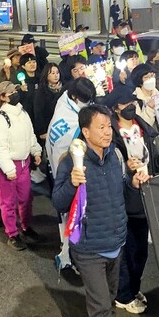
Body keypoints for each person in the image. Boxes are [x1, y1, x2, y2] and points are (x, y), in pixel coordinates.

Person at [51, 104, 150, 317]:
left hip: (116, 242)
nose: (108, 132)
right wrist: (73, 184)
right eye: (101, 127)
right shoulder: (72, 162)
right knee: (101, 308)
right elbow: (59, 203)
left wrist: (133, 184)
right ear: (85, 131)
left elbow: (122, 196)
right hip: (89, 247)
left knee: (110, 301)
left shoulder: (116, 155)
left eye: (109, 126)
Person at [108, 89, 159, 315]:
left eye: (132, 101)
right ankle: (123, 295)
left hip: (146, 194)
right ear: (116, 108)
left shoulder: (142, 127)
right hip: (127, 196)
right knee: (129, 249)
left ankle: (133, 288)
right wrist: (126, 167)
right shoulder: (112, 135)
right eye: (125, 103)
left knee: (141, 251)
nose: (131, 105)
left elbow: (151, 160)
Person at [46, 77, 97, 271]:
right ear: (75, 96)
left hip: (60, 171)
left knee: (67, 218)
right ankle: (71, 255)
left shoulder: (64, 101)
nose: (88, 104)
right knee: (72, 216)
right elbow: (62, 157)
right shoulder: (69, 125)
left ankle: (68, 249)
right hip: (67, 175)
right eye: (86, 100)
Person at [0, 81, 42, 250]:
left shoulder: (22, 113)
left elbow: (30, 135)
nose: (15, 93)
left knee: (26, 198)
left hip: (24, 163)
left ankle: (26, 226)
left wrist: (36, 151)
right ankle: (12, 233)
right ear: (2, 97)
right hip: (8, 167)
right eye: (10, 92)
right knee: (8, 202)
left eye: (15, 90)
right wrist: (9, 169)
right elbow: (0, 147)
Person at [32, 63, 64, 147]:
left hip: (62, 126)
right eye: (52, 73)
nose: (56, 75)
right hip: (48, 127)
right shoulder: (41, 91)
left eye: (57, 73)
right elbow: (38, 112)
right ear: (46, 75)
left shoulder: (64, 89)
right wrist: (42, 131)